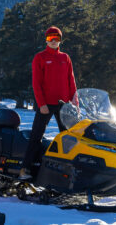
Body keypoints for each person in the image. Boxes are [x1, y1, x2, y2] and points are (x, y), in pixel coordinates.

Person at [20, 26, 77, 179]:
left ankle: (70, 171)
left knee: (68, 138)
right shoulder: (40, 57)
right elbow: (36, 83)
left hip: (64, 105)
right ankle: (25, 169)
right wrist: (41, 104)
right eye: (50, 38)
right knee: (36, 136)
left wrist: (74, 101)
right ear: (46, 40)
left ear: (60, 40)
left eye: (56, 38)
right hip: (46, 104)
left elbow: (71, 81)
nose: (53, 41)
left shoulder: (65, 58)